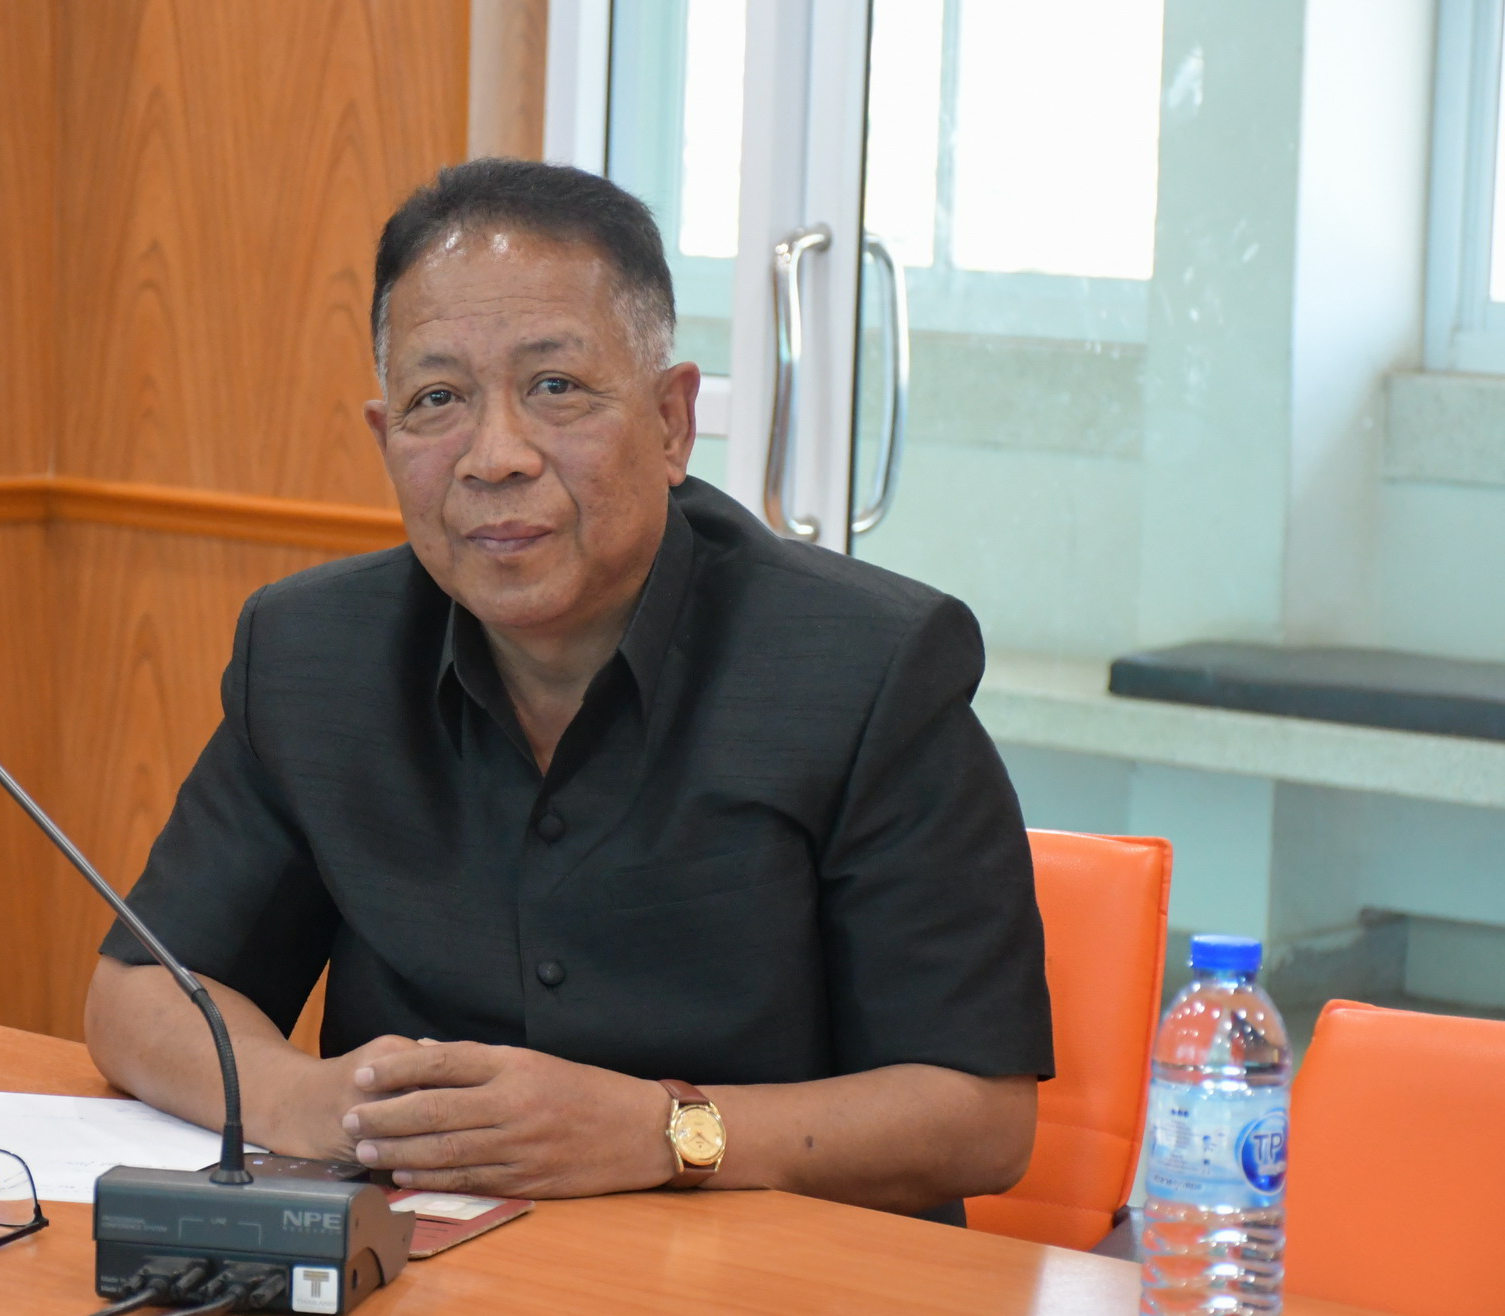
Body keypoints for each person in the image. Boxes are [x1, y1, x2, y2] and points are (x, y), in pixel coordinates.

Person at [84, 159, 1051, 1222]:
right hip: (422, 1274)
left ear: (672, 422)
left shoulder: (871, 666)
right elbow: (139, 991)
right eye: (437, 400)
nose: (495, 457)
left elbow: (981, 1115)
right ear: (386, 439)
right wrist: (309, 1103)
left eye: (555, 388)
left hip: (767, 1281)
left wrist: (660, 1131)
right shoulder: (311, 653)